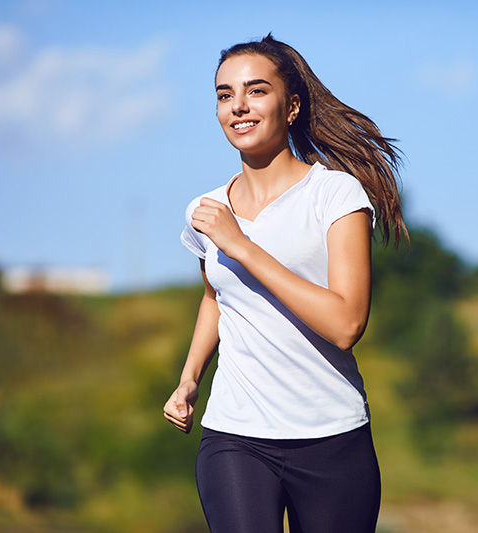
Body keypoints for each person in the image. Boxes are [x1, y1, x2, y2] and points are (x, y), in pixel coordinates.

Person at [162, 34, 407, 533]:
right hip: (235, 435)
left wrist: (244, 246)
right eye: (224, 94)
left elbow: (346, 323)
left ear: (291, 106)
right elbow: (217, 296)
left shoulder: (336, 195)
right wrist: (190, 379)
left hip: (331, 437)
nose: (238, 107)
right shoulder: (206, 210)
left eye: (256, 91)